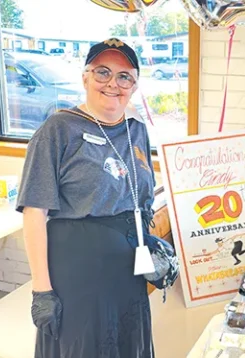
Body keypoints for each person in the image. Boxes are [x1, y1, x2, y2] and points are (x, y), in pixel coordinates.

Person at [16, 38, 156, 358]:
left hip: (126, 270)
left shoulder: (136, 129)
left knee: (125, 345)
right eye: (102, 72)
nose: (112, 84)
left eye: (124, 76)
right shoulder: (58, 129)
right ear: (85, 77)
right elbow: (34, 212)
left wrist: (153, 245)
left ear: (134, 85)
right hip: (78, 271)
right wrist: (42, 290)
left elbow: (140, 199)